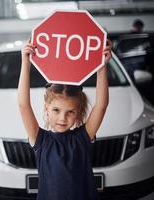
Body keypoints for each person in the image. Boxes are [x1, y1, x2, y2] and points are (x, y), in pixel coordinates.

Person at [17, 39, 112, 200]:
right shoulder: (40, 140)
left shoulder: (82, 137)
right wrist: (25, 64)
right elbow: (23, 105)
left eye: (70, 112)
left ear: (78, 112)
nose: (62, 118)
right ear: (46, 108)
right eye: (56, 110)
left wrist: (101, 66)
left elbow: (101, 106)